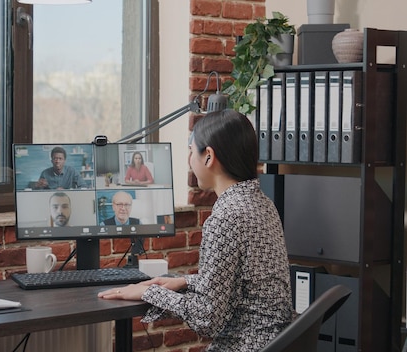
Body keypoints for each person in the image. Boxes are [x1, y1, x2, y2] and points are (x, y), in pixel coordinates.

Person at [99, 109, 295, 351]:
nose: (189, 159)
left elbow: (207, 318)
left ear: (208, 157)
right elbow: (242, 286)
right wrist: (185, 281)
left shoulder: (225, 217)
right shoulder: (263, 204)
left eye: (191, 151)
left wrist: (148, 292)